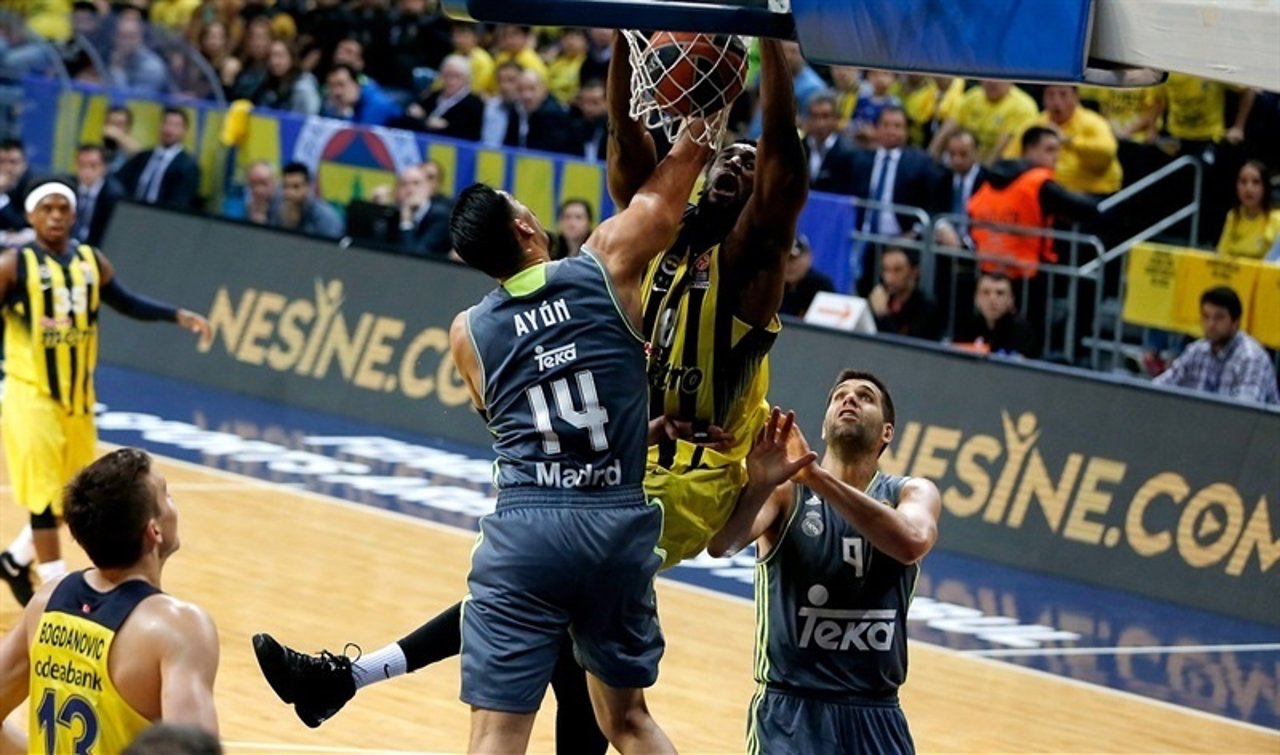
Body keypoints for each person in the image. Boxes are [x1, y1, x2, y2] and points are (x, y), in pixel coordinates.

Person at [250, 31, 807, 754]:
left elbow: (781, 170)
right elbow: (626, 143)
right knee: (590, 674)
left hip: (687, 482)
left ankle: (351, 676)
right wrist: (626, 42)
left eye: (747, 165)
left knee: (536, 602)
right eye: (728, 160)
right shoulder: (643, 253)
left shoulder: (746, 269)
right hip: (626, 469)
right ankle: (347, 679)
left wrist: (764, 53)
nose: (737, 167)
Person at [0, 181, 211, 606]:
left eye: (64, 208)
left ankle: (13, 560)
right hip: (31, 395)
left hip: (77, 400)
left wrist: (177, 315)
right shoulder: (13, 266)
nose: (57, 215)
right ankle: (55, 595)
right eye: (48, 208)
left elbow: (125, 301)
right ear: (30, 216)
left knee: (74, 494)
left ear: (75, 215)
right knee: (43, 498)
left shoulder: (90, 261)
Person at [708, 370, 941, 755]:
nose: (849, 400)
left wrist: (817, 478)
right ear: (823, 425)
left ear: (887, 432)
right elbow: (723, 546)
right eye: (840, 396)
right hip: (791, 711)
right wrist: (760, 486)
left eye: (864, 397)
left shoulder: (911, 492)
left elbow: (912, 541)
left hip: (876, 711)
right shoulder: (787, 492)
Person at [0, 448, 221, 752]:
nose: (173, 504)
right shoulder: (177, 629)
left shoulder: (47, 600)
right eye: (166, 495)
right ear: (153, 530)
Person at [1154, 286, 1279, 404]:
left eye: (1219, 318)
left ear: (1236, 322)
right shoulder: (1196, 351)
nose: (1211, 324)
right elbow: (1158, 389)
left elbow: (1244, 415)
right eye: (1206, 316)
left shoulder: (1251, 358)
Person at [115, 108, 202, 212]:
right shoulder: (143, 156)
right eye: (166, 123)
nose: (169, 130)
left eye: (176, 126)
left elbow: (180, 202)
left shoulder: (188, 166)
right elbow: (118, 182)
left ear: (185, 130)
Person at [953, 271, 1040, 358]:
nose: (992, 299)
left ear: (1011, 300)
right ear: (976, 299)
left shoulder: (1021, 331)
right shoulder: (967, 327)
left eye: (1000, 293)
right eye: (986, 292)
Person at [869, 245, 944, 340]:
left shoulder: (926, 308)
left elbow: (906, 348)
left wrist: (883, 316)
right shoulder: (881, 299)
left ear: (914, 272)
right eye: (885, 269)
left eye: (897, 270)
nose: (889, 279)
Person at [1217, 160, 1280, 260]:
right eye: (1243, 182)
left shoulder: (1277, 220)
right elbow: (1221, 255)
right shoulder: (1233, 216)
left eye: (1256, 182)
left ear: (1265, 187)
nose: (1248, 188)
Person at [779, 234, 835, 318]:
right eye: (785, 259)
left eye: (794, 259)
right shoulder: (772, 286)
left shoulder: (821, 286)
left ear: (808, 258)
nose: (790, 265)